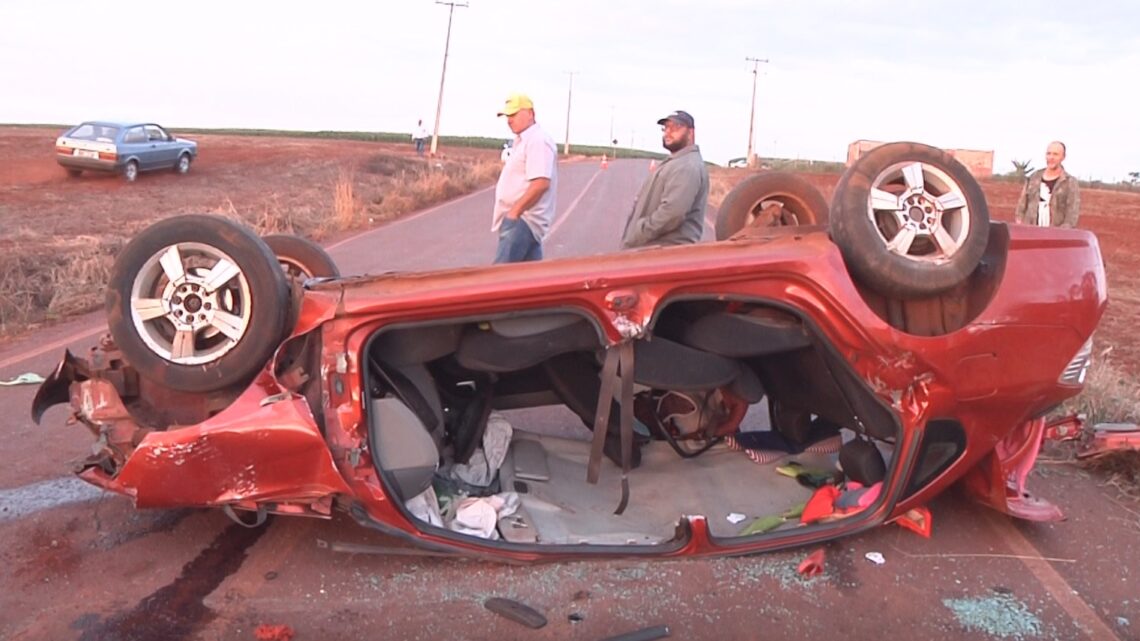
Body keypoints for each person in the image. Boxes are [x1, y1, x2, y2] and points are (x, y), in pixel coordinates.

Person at [620, 110, 709, 248]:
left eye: (675, 128)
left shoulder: (686, 166)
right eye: (666, 128)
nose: (668, 132)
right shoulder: (677, 161)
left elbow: (672, 213)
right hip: (654, 249)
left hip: (663, 252)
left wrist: (640, 232)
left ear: (691, 133)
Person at [491, 93, 558, 263]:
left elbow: (541, 183)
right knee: (528, 281)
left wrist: (515, 212)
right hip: (522, 222)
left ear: (530, 113)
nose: (509, 120)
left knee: (498, 281)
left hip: (524, 221)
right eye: (507, 116)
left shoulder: (538, 140)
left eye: (513, 115)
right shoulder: (522, 141)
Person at [1014, 140, 1081, 228]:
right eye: (1048, 154)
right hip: (1030, 233)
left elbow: (1072, 213)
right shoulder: (1033, 178)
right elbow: (1021, 207)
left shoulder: (1070, 182)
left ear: (1063, 157)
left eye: (1055, 154)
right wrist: (1021, 224)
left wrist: (1063, 233)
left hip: (1055, 236)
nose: (1051, 157)